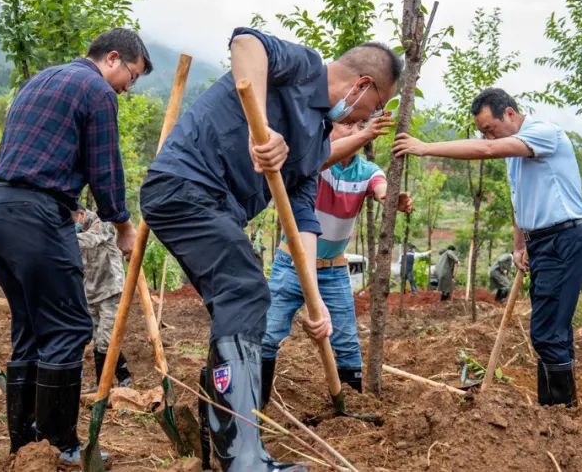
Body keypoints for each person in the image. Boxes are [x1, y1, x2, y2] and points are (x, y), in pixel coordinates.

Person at [140, 26, 401, 472]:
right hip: (184, 186)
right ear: (362, 86)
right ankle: (242, 458)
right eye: (369, 111)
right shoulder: (302, 67)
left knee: (237, 306)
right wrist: (257, 126)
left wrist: (316, 305)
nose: (360, 122)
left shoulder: (316, 140)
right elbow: (246, 43)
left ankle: (218, 443)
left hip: (217, 209)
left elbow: (302, 222)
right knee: (246, 290)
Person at [0, 28, 147, 462]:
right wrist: (123, 225)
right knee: (70, 327)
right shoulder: (96, 91)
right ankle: (60, 446)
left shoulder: (42, 79)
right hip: (36, 215)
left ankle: (26, 445)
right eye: (133, 75)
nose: (129, 87)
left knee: (32, 327)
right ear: (113, 58)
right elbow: (105, 167)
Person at [394, 87, 582, 407]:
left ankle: (558, 410)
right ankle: (560, 407)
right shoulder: (516, 157)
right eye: (483, 132)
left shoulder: (543, 133)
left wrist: (425, 147)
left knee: (547, 332)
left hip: (562, 240)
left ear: (509, 114)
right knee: (553, 330)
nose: (488, 137)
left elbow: (485, 152)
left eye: (490, 129)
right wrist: (519, 245)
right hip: (540, 243)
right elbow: (520, 202)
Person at [261, 118, 411, 404]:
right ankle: (257, 406)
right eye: (348, 125)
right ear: (329, 129)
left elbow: (380, 187)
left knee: (346, 343)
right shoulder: (315, 164)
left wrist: (393, 199)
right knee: (268, 335)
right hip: (290, 266)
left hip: (334, 271)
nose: (355, 132)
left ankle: (349, 411)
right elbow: (313, 163)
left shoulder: (367, 171)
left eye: (361, 127)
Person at [73, 208, 132, 390]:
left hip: (110, 291)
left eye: (73, 220)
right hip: (91, 293)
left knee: (105, 340)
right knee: (100, 338)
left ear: (81, 214)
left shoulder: (104, 222)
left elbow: (91, 240)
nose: (71, 225)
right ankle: (124, 376)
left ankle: (102, 385)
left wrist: (60, 238)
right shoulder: (78, 231)